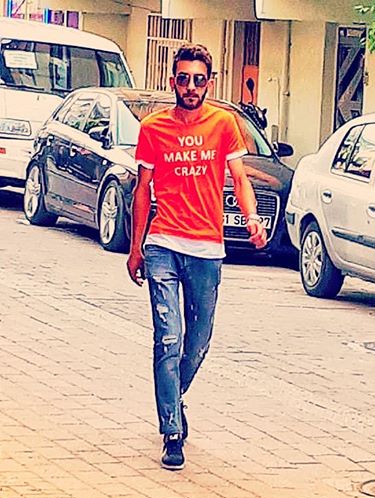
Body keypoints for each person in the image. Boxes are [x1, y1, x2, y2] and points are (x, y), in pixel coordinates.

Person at [126, 44, 266, 471]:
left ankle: (174, 396)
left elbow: (239, 178)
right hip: (162, 244)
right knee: (168, 338)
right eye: (183, 79)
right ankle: (172, 431)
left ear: (209, 83)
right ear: (173, 81)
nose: (190, 86)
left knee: (198, 342)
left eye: (198, 80)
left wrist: (252, 218)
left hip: (207, 248)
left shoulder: (223, 124)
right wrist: (135, 248)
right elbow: (143, 190)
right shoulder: (153, 128)